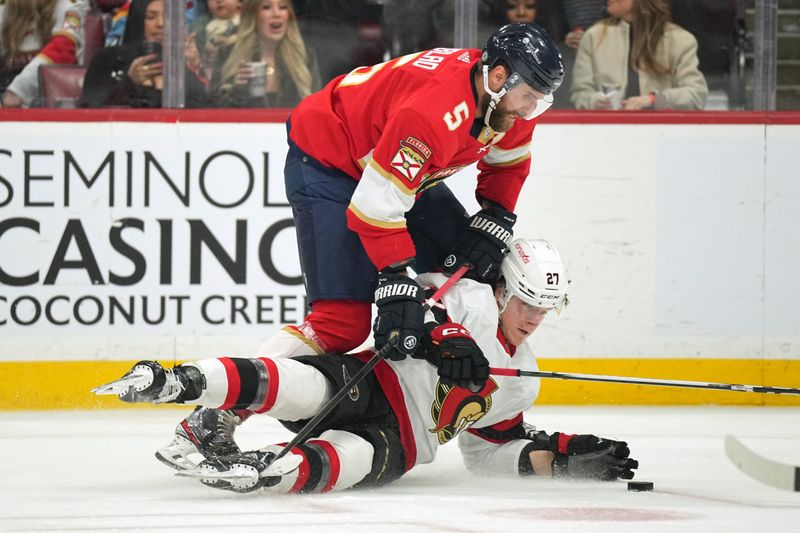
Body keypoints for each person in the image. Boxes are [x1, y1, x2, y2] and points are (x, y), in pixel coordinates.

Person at [95, 238, 639, 494]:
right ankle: (175, 381)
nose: (534, 319)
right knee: (303, 386)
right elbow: (406, 298)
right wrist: (441, 336)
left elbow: (487, 454)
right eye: (526, 303)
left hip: (402, 445)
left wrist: (561, 457)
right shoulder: (468, 299)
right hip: (372, 382)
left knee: (348, 460)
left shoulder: (522, 385)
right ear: (501, 290)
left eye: (545, 309)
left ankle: (258, 471)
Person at [250, 23, 564, 376]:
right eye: (529, 96)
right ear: (499, 76)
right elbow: (376, 207)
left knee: (475, 276)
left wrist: (497, 213)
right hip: (331, 161)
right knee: (341, 323)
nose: (531, 109)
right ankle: (221, 411)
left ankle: (482, 409)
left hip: (393, 169)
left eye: (540, 100)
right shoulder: (432, 112)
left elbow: (508, 164)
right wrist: (395, 274)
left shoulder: (509, 103)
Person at [570, 0, 708, 110]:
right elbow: (580, 94)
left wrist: (654, 100)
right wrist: (598, 102)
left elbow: (696, 94)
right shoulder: (594, 37)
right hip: (608, 132)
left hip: (661, 135)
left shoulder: (679, 40)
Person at [79, 0, 208, 108]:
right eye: (151, 17)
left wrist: (192, 69)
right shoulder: (107, 58)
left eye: (168, 17)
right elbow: (89, 107)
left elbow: (206, 112)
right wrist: (129, 82)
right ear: (138, 20)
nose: (161, 24)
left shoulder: (181, 62)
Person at [210, 0, 319, 108]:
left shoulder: (305, 57)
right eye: (266, 7)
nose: (276, 14)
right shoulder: (227, 54)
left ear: (289, 15)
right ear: (253, 15)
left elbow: (317, 110)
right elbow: (209, 112)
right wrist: (236, 92)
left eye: (282, 7)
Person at [0, 0, 88, 107]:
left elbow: (63, 51)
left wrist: (17, 92)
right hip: (6, 95)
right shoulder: (5, 11)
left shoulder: (70, 9)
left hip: (49, 104)